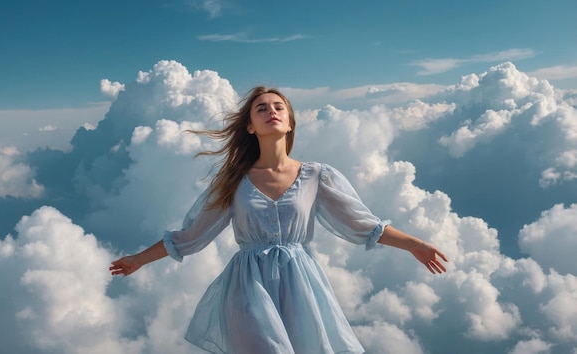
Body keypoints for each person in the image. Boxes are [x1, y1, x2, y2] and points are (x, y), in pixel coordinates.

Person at [110, 86, 448, 354]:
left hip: (301, 287)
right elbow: (191, 235)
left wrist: (415, 245)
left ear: (289, 123)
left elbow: (363, 224)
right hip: (247, 287)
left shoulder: (318, 176)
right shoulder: (232, 182)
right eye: (262, 108)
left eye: (278, 107)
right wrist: (139, 259)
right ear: (250, 126)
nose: (271, 111)